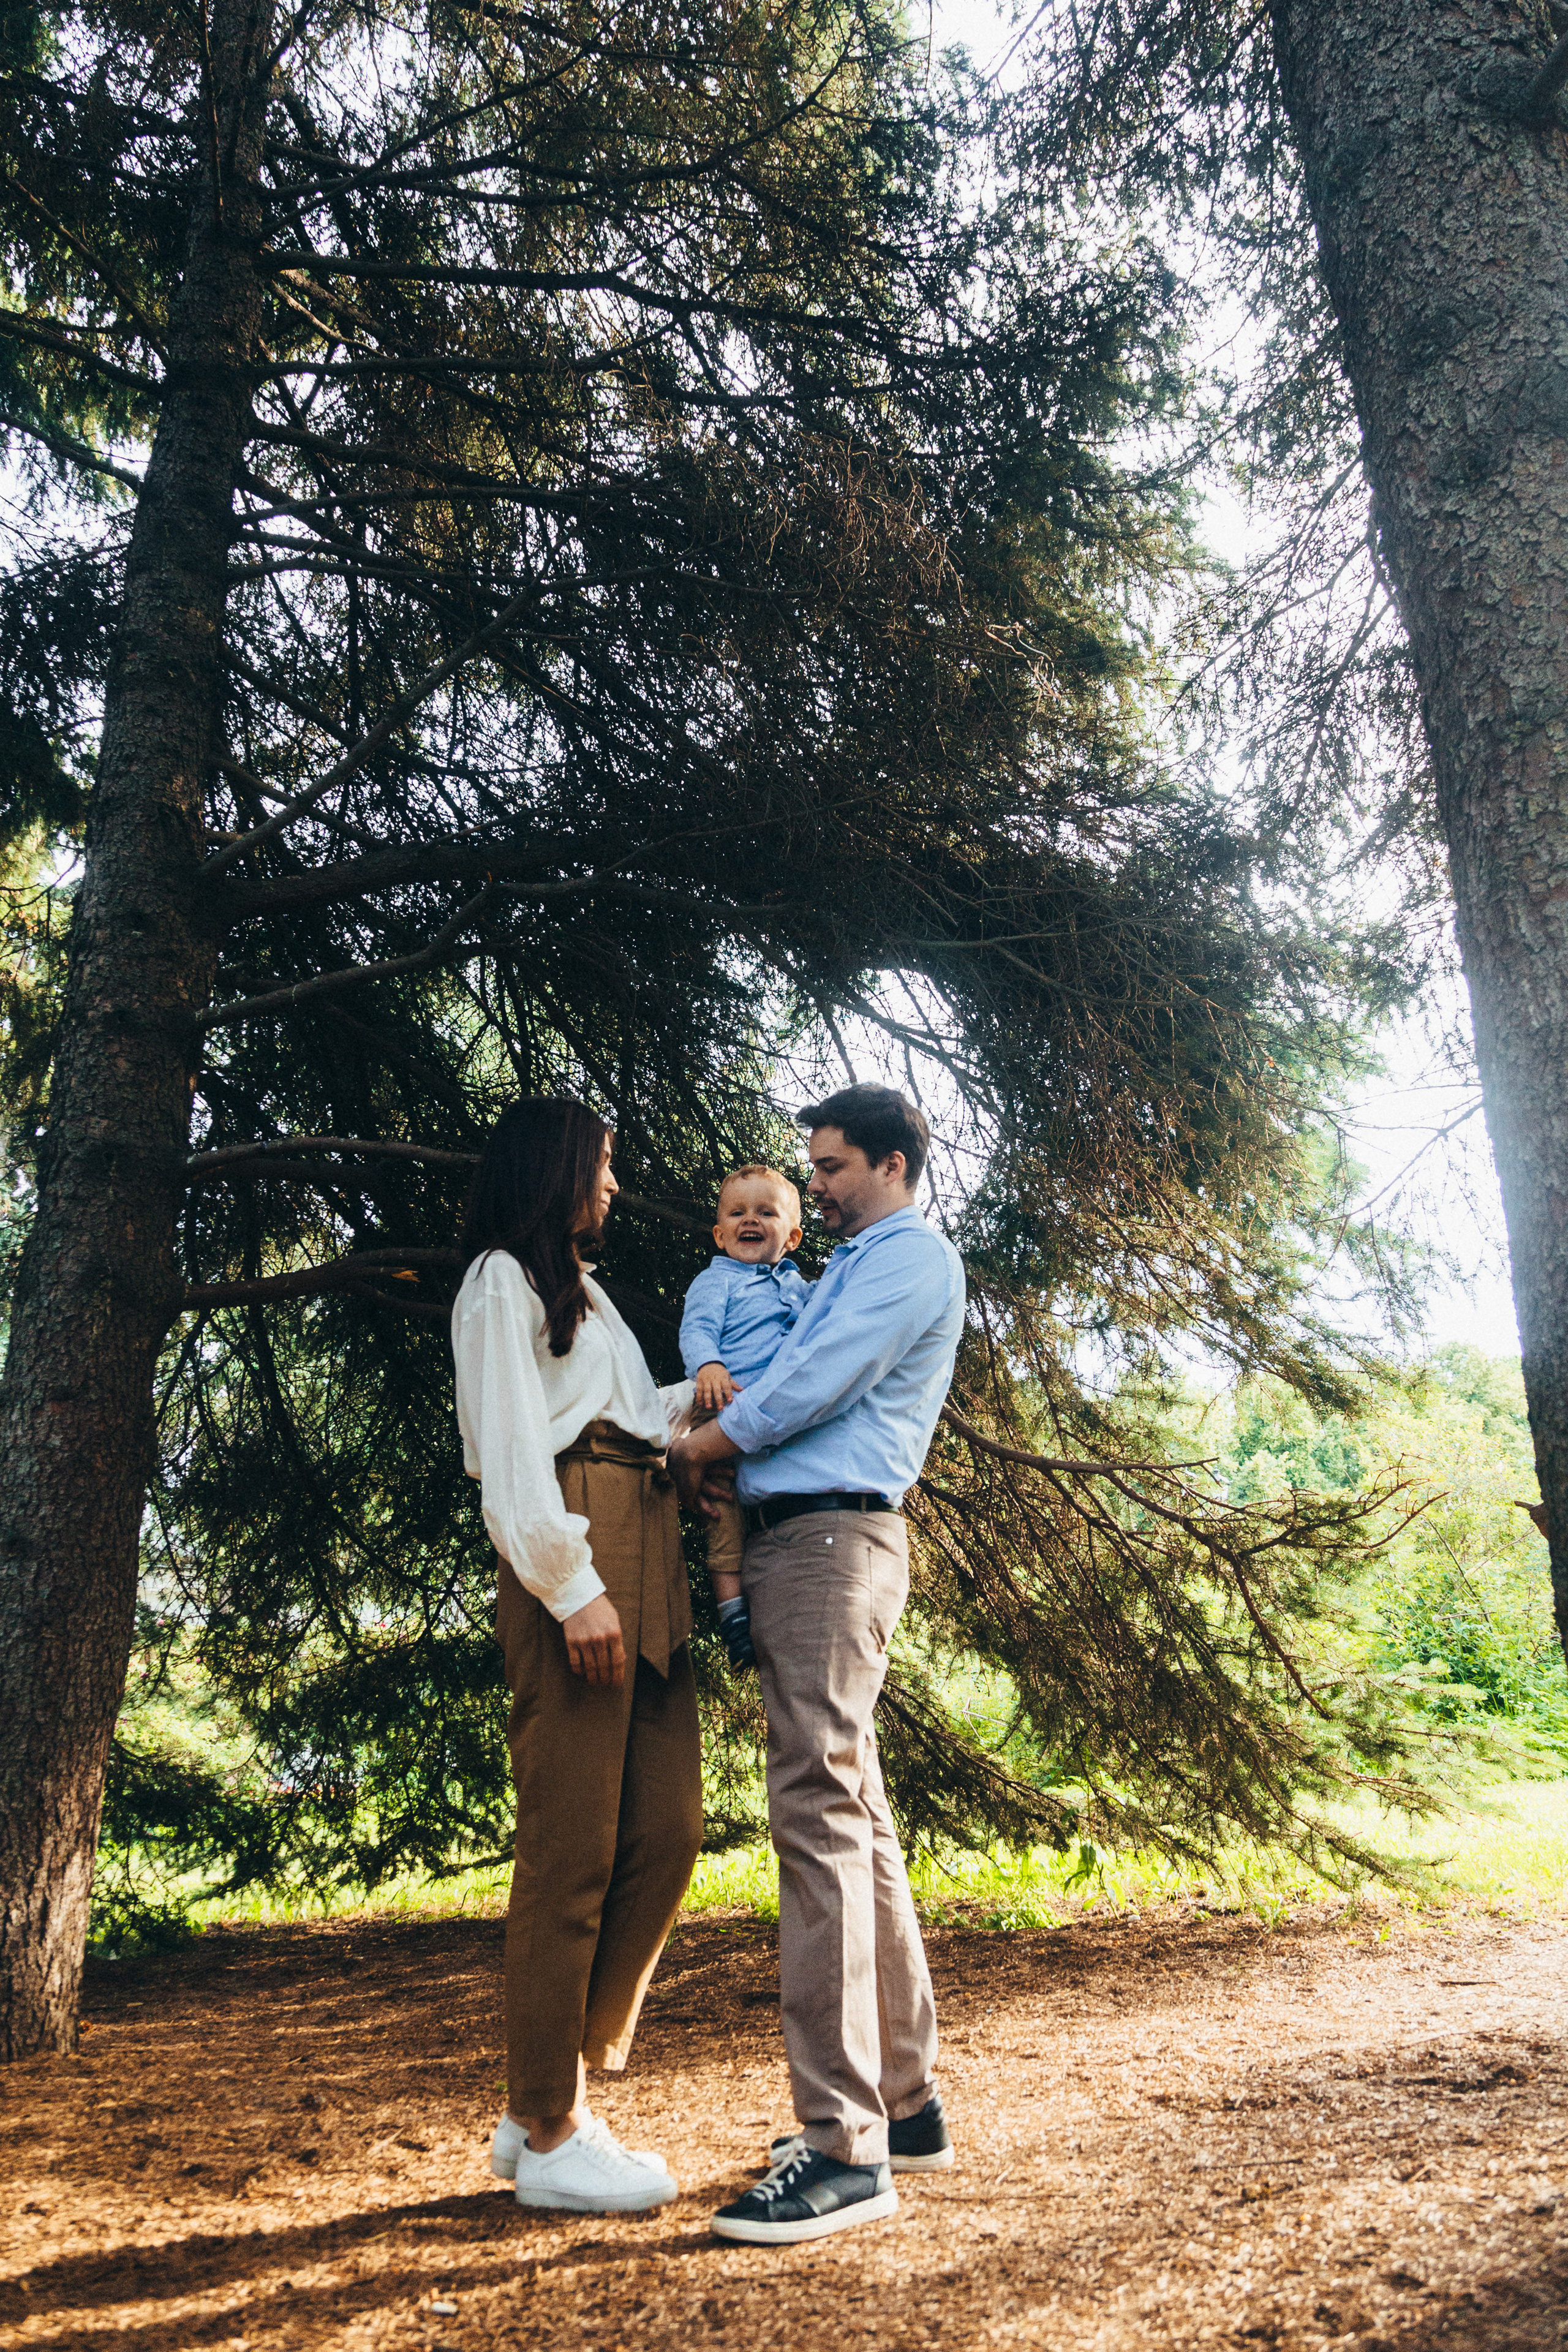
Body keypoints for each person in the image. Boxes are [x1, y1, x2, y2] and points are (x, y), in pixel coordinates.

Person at [670, 1084, 966, 2247]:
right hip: (811, 1537)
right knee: (857, 1811)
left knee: (816, 1813)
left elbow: (807, 1386)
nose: (817, 1186)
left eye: (833, 1167)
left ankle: (843, 2148)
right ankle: (906, 2108)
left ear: (891, 1164)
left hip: (828, 1538)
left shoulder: (904, 1261)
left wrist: (701, 1443)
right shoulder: (852, 1262)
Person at [452, 1097, 703, 2215]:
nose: (613, 1188)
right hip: (581, 1553)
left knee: (671, 1827)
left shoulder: (586, 1296)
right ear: (556, 1171)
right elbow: (513, 1449)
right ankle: (552, 2126)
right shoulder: (500, 1281)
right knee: (570, 1849)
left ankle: (541, 2097)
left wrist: (692, 1398)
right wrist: (573, 1589)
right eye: (602, 1168)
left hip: (645, 1536)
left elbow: (621, 1412)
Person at [678, 1164, 811, 1672]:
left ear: (793, 1236)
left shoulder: (797, 1285)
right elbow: (697, 1330)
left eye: (765, 1212)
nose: (749, 1220)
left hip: (774, 1425)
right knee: (723, 1517)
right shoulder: (718, 1281)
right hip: (724, 1410)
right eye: (737, 1213)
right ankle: (732, 1614)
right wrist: (708, 1365)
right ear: (719, 1233)